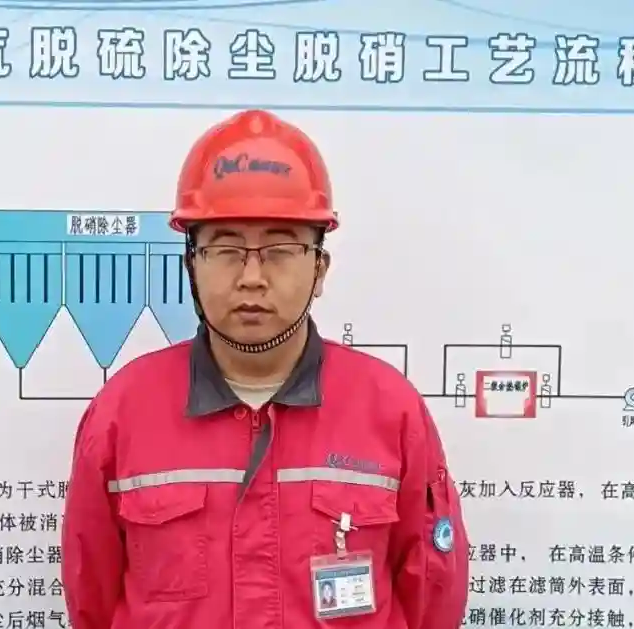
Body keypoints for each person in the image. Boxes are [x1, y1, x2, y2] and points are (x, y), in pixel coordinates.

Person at [61, 109, 469, 629]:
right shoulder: (123, 414)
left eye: (280, 249)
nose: (252, 277)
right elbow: (92, 599)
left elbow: (432, 597)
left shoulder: (390, 411)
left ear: (319, 267)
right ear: (190, 264)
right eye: (226, 248)